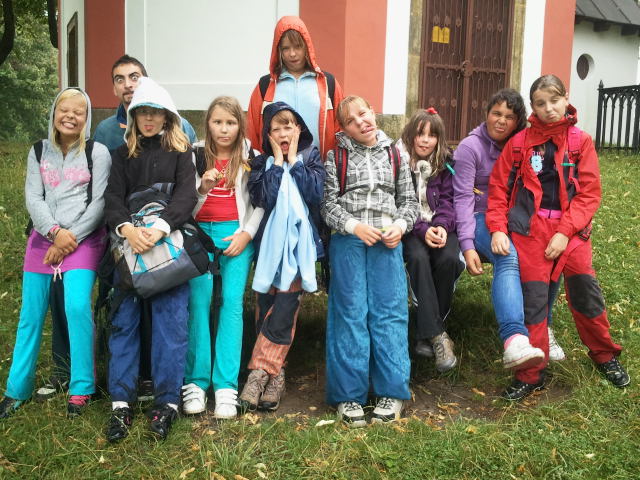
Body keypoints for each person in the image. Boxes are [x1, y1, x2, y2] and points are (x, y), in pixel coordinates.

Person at [487, 74, 630, 400]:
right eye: (541, 103)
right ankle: (531, 373)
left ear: (566, 98)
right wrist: (497, 227)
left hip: (572, 232)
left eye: (554, 100)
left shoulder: (582, 142)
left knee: (585, 292)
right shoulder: (519, 143)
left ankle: (604, 355)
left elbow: (589, 194)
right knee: (534, 301)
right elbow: (497, 191)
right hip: (530, 233)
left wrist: (565, 232)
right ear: (533, 107)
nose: (549, 108)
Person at [91, 54, 198, 403]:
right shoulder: (122, 156)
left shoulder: (180, 153)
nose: (149, 119)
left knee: (171, 322)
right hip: (130, 248)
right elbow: (113, 198)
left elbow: (186, 196)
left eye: (155, 112)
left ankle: (167, 399)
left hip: (169, 247)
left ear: (166, 115)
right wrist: (128, 230)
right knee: (125, 321)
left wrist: (162, 227)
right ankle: (121, 398)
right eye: (142, 112)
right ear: (133, 116)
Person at [0, 88, 111, 418]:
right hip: (43, 239)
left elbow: (100, 202)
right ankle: (16, 390)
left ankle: (82, 387)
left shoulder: (97, 152)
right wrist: (54, 233)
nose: (70, 116)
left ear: (87, 118)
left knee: (76, 306)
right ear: (54, 113)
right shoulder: (38, 150)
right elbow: (34, 198)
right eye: (64, 109)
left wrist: (69, 238)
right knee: (31, 314)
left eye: (79, 111)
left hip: (83, 240)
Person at [321, 95, 419, 427]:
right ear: (344, 128)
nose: (360, 122)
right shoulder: (336, 158)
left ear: (373, 113)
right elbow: (328, 205)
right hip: (349, 238)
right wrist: (354, 226)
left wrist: (399, 226)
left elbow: (409, 202)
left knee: (389, 312)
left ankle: (391, 390)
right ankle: (349, 395)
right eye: (351, 120)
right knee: (349, 312)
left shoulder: (396, 154)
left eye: (363, 114)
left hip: (386, 239)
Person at [453, 88, 566, 371]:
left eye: (509, 116)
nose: (501, 121)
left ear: (518, 121)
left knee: (550, 253)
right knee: (508, 256)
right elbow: (462, 199)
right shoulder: (470, 148)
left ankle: (543, 326)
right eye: (496, 113)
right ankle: (514, 338)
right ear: (487, 114)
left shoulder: (525, 144)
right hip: (480, 217)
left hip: (517, 216)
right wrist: (467, 244)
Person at [181, 96, 264, 419]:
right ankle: (196, 382)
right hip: (199, 235)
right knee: (198, 302)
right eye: (218, 122)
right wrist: (202, 188)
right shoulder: (194, 154)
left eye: (230, 123)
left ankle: (226, 385)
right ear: (208, 124)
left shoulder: (250, 155)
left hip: (236, 235)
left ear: (240, 125)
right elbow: (183, 204)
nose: (224, 129)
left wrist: (247, 234)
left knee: (231, 303)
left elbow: (260, 202)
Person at [240, 102, 325, 412]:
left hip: (299, 249)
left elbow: (315, 194)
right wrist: (277, 162)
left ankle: (258, 372)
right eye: (275, 128)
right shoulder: (261, 163)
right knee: (266, 306)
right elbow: (264, 198)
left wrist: (294, 163)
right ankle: (277, 375)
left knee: (286, 307)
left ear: (299, 129)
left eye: (288, 126)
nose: (282, 132)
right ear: (268, 136)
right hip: (268, 248)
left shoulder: (311, 158)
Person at [397, 108, 464, 373]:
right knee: (417, 257)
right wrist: (422, 229)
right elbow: (399, 203)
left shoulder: (445, 162)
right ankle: (438, 335)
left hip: (440, 225)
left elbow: (449, 200)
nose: (425, 140)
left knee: (449, 259)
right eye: (420, 134)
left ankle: (426, 332)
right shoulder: (399, 161)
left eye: (432, 135)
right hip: (410, 228)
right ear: (410, 135)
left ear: (439, 138)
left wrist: (442, 226)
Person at [246, 16, 344, 158]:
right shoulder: (265, 85)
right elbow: (253, 131)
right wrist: (257, 164)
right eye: (286, 48)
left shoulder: (328, 83)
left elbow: (341, 129)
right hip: (275, 167)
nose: (292, 54)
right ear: (278, 50)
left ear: (307, 46)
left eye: (297, 46)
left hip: (318, 167)